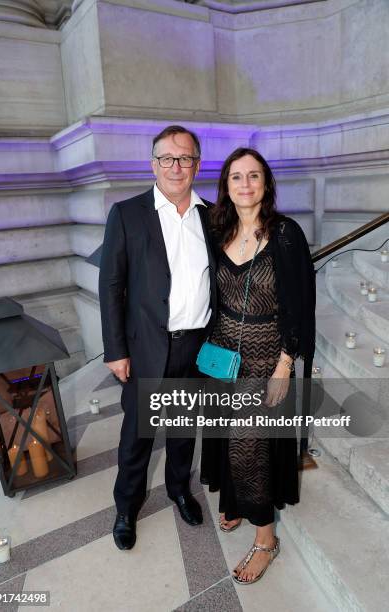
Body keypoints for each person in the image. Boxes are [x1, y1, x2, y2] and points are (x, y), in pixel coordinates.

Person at [200, 147, 315, 584]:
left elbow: (301, 305)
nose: (245, 184)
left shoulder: (286, 234)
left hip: (267, 354)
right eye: (236, 177)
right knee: (224, 438)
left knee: (251, 445)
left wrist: (285, 364)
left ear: (266, 183)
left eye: (254, 176)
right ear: (226, 186)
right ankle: (237, 501)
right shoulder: (218, 229)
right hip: (223, 353)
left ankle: (265, 538)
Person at [99, 125, 216, 550]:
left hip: (196, 344)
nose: (176, 166)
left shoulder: (212, 215)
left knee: (184, 428)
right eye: (167, 158)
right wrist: (116, 350)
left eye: (185, 158)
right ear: (153, 164)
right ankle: (126, 507)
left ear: (197, 165)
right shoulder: (127, 214)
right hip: (146, 345)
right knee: (138, 434)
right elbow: (111, 285)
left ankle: (179, 490)